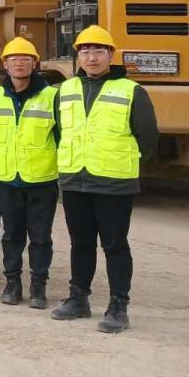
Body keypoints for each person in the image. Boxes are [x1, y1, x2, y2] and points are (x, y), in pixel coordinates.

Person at [51, 26, 157, 333]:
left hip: (114, 182)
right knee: (80, 243)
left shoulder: (131, 90)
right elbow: (60, 131)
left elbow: (147, 137)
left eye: (98, 51)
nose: (91, 57)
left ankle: (117, 306)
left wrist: (123, 162)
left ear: (110, 55)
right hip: (74, 180)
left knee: (115, 245)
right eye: (85, 52)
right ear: (78, 57)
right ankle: (78, 299)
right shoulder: (66, 90)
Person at [0, 37, 60, 310]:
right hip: (6, 178)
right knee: (12, 234)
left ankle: (39, 287)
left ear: (35, 63)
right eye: (13, 59)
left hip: (42, 179)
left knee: (40, 236)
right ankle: (12, 283)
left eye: (25, 59)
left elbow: (61, 136)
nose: (19, 63)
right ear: (4, 64)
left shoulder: (52, 96)